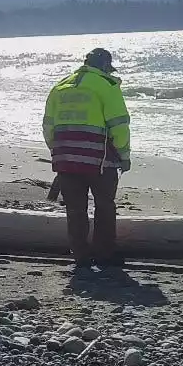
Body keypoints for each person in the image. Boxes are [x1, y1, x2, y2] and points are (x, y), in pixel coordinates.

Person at [42, 48, 131, 271]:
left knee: (75, 209)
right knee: (104, 206)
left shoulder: (60, 87)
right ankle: (104, 253)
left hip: (65, 159)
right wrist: (124, 155)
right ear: (104, 66)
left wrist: (58, 151)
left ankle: (80, 255)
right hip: (99, 160)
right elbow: (119, 125)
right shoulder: (107, 85)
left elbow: (48, 126)